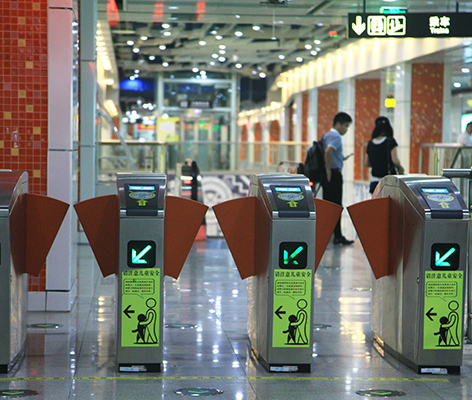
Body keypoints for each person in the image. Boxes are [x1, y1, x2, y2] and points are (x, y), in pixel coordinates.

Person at [321, 111, 354, 245]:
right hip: (333, 174)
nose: (346, 129)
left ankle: (327, 234)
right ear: (338, 124)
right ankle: (338, 236)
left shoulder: (326, 135)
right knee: (336, 206)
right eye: (345, 126)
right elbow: (328, 151)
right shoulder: (336, 137)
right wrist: (329, 169)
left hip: (327, 174)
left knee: (328, 205)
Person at [365, 116, 405, 194]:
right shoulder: (390, 141)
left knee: (376, 205)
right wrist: (401, 168)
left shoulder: (370, 143)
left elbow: (366, 163)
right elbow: (395, 160)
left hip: (374, 182)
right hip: (388, 182)